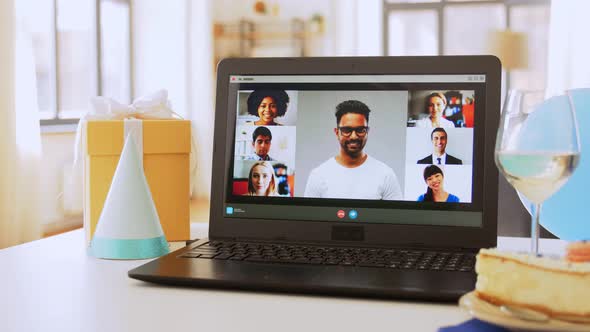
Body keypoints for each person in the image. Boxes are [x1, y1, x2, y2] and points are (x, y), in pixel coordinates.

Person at [304, 100, 402, 200]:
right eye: (347, 130)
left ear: (367, 131)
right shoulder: (318, 175)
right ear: (337, 132)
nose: (354, 136)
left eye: (360, 130)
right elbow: (309, 215)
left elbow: (396, 215)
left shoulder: (386, 175)